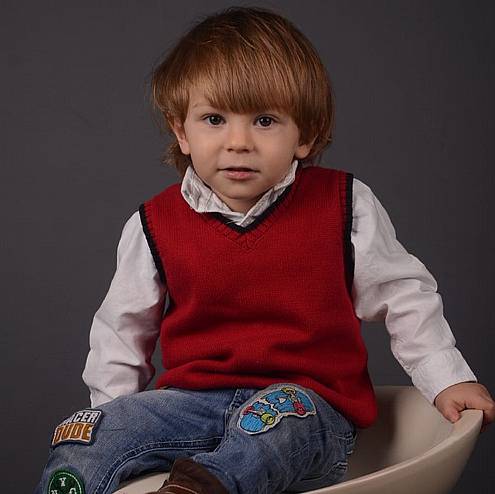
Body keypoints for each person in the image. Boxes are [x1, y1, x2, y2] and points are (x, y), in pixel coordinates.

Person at [34, 5, 494, 494]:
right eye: (214, 119)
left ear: (305, 134)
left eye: (265, 120)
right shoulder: (153, 224)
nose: (238, 142)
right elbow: (121, 333)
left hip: (306, 409)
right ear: (182, 131)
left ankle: (200, 488)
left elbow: (404, 297)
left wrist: (447, 378)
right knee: (87, 435)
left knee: (275, 431)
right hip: (192, 405)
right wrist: (115, 418)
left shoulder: (344, 204)